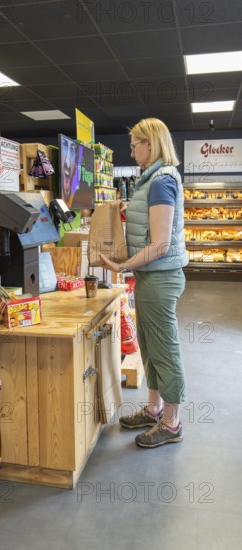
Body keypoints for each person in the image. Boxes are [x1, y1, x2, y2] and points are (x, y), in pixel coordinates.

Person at [99, 118, 188, 449]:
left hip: (161, 277)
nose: (132, 150)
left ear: (151, 143)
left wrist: (123, 266)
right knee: (149, 348)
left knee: (164, 349)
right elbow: (149, 226)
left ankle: (171, 422)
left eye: (135, 144)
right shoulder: (150, 179)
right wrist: (128, 208)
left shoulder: (162, 181)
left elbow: (161, 244)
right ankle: (154, 409)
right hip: (151, 276)